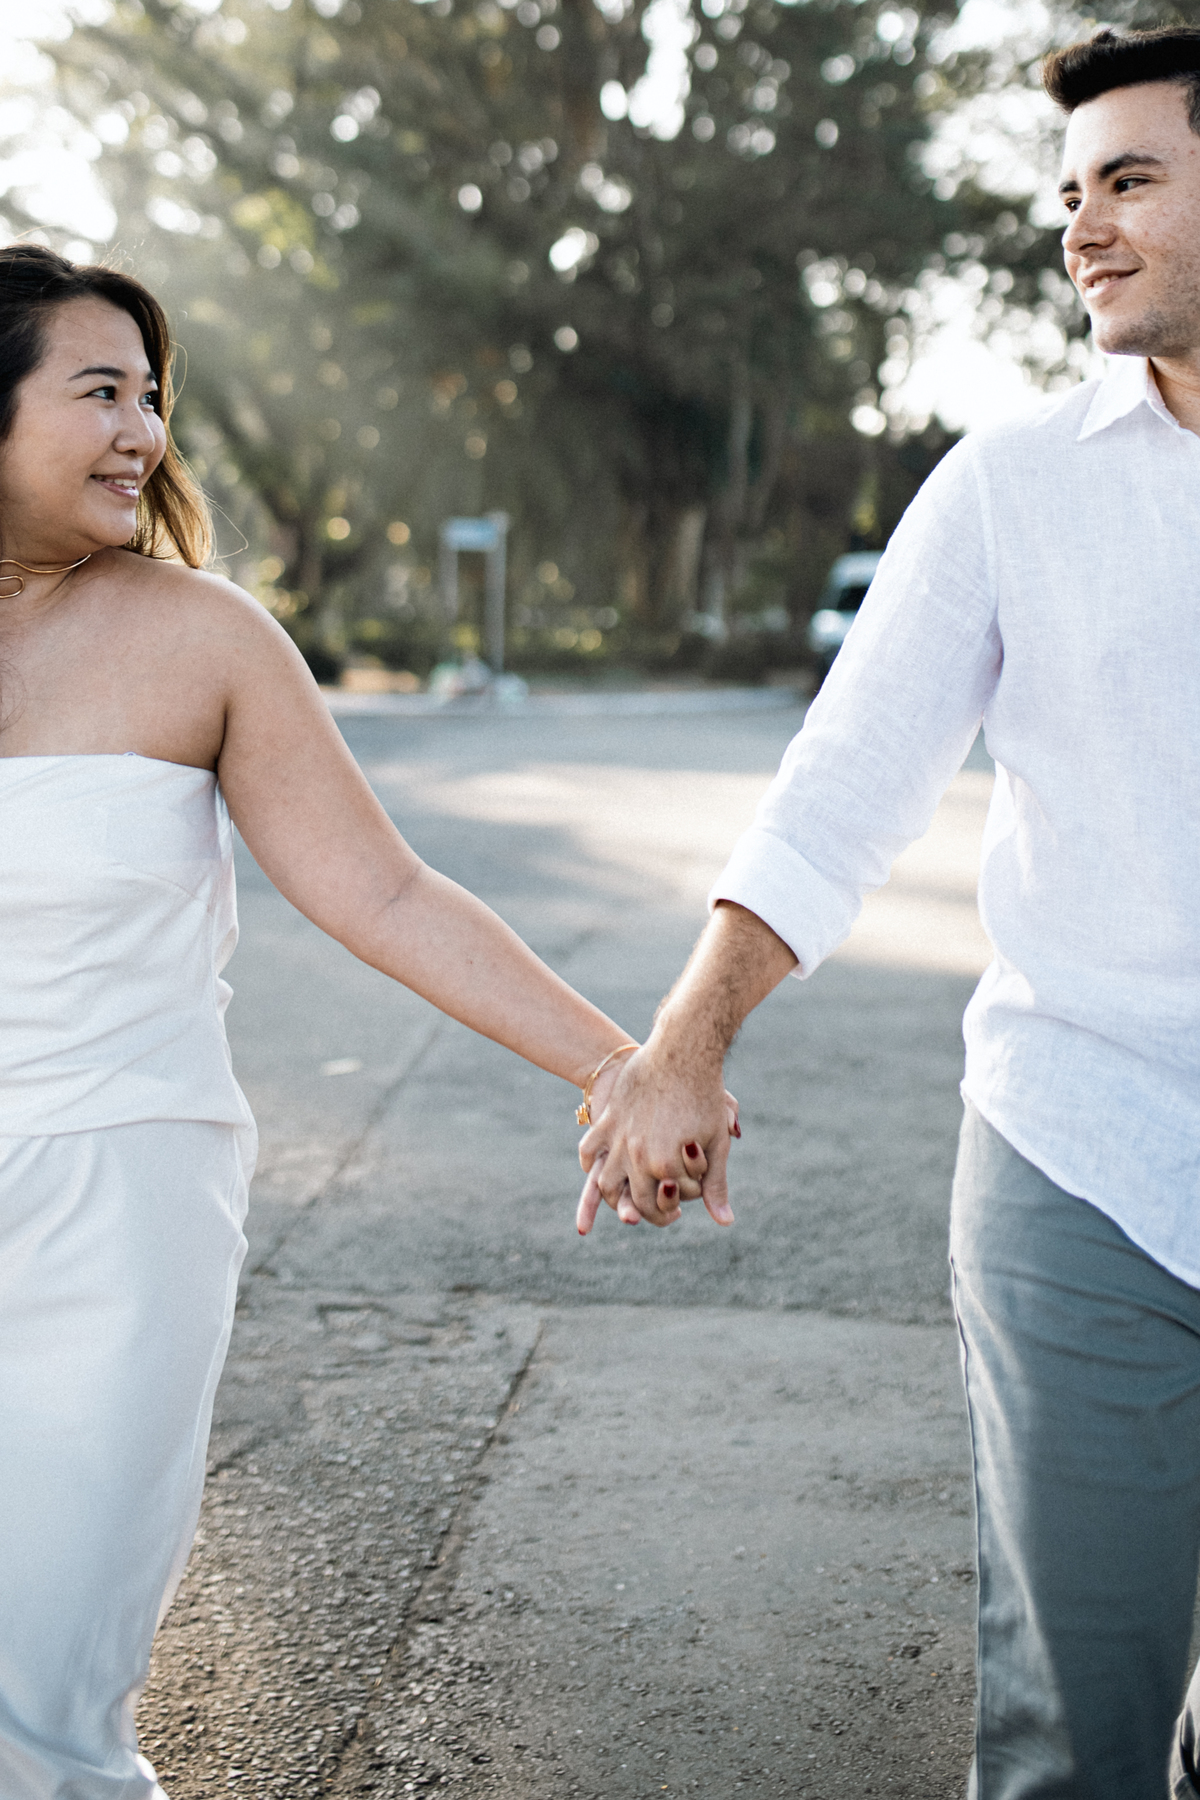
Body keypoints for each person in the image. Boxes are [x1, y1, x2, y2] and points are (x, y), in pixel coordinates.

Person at [0, 241, 735, 1800]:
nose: (144, 433)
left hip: (114, 1198)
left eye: (153, 397)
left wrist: (623, 1066)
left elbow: (387, 895)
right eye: (101, 393)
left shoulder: (204, 640)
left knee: (39, 1691)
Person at [579, 24, 1200, 1800]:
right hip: (1085, 1149)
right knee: (1076, 1728)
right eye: (1068, 193)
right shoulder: (1015, 485)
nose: (1081, 228)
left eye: (1131, 180)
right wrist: (684, 1046)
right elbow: (844, 784)